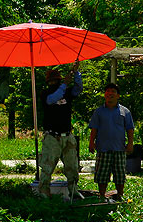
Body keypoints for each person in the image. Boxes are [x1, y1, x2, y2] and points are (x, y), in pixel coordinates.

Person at [38, 63, 82, 200]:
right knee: (47, 166)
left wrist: (76, 74)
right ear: (48, 82)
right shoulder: (45, 94)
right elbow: (52, 100)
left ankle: (73, 191)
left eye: (56, 80)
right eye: (52, 81)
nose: (54, 83)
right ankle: (44, 192)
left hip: (67, 135)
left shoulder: (67, 92)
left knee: (72, 166)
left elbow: (78, 89)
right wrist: (64, 85)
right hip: (52, 136)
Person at [88, 83, 134, 202]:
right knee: (102, 175)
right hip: (103, 148)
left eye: (113, 91)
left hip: (119, 149)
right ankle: (102, 196)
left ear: (118, 95)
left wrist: (130, 144)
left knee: (120, 175)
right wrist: (91, 143)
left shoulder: (125, 111)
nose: (110, 94)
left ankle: (120, 196)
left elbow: (130, 128)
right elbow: (94, 129)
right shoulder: (99, 112)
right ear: (105, 95)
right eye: (108, 91)